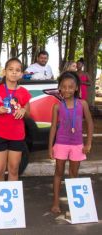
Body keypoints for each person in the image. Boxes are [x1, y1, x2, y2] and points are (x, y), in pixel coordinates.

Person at [49, 71, 93, 214]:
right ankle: (56, 202)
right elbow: (53, 127)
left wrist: (88, 143)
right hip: (61, 143)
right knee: (58, 172)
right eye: (64, 87)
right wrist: (50, 146)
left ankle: (75, 204)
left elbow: (90, 124)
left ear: (76, 88)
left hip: (77, 145)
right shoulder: (57, 107)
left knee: (74, 173)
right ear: (59, 88)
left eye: (70, 87)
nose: (67, 90)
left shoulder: (82, 104)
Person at [0, 58, 31, 181]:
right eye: (11, 69)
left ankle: (14, 200)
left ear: (21, 74)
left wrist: (23, 111)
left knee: (13, 170)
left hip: (17, 136)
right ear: (4, 71)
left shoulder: (24, 92)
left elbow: (28, 114)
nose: (14, 72)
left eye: (17, 70)